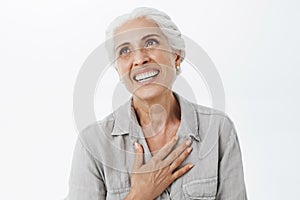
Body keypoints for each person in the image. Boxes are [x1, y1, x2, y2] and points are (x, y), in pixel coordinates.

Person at [67, 7, 247, 200]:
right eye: (125, 50)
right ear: (119, 69)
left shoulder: (218, 129)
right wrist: (139, 195)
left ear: (176, 55)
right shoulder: (93, 143)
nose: (139, 59)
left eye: (150, 42)